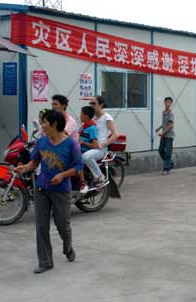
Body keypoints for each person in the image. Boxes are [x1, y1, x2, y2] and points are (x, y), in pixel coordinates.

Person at [14, 110, 83, 274]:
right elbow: (34, 163)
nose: (42, 126)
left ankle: (68, 246)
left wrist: (62, 175)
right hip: (42, 188)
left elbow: (79, 166)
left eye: (44, 122)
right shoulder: (42, 142)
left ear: (54, 124)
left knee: (62, 225)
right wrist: (24, 168)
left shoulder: (71, 144)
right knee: (41, 226)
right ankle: (45, 262)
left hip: (61, 191)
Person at [86, 96, 119, 185]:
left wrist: (103, 145)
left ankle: (100, 176)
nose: (91, 106)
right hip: (90, 146)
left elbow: (115, 134)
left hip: (100, 149)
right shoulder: (91, 118)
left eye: (94, 103)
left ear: (101, 105)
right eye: (90, 103)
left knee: (86, 157)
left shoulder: (106, 117)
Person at [78, 106, 98, 194]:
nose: (80, 116)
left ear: (86, 116)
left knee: (76, 160)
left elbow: (94, 145)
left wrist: (82, 142)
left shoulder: (92, 128)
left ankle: (83, 182)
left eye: (81, 114)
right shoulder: (83, 127)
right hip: (78, 148)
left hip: (84, 151)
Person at [156, 97, 175, 175]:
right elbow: (164, 123)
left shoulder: (171, 113)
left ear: (171, 104)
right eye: (167, 102)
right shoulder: (163, 112)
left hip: (169, 136)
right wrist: (159, 128)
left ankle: (166, 169)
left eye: (170, 102)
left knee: (168, 153)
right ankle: (170, 163)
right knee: (160, 150)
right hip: (163, 135)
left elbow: (170, 125)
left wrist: (162, 133)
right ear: (164, 103)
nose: (168, 104)